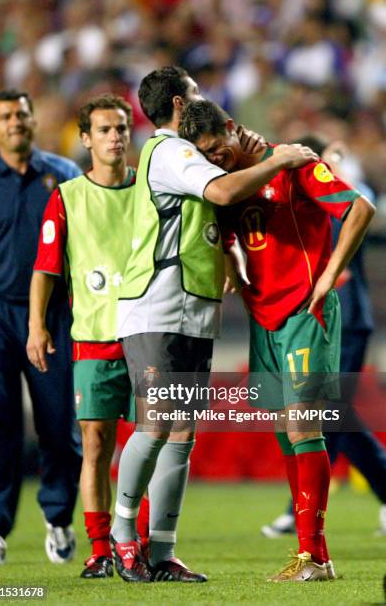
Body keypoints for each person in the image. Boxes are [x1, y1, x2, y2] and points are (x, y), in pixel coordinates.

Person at [110, 65, 319, 583]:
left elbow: (214, 218)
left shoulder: (181, 153)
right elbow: (224, 194)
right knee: (156, 424)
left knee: (181, 433)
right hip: (156, 306)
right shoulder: (172, 150)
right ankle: (122, 539)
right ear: (179, 106)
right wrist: (281, 159)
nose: (204, 104)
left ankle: (161, 551)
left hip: (193, 309)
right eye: (196, 96)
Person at [178, 99, 375, 581]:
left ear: (232, 127)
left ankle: (316, 557)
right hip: (263, 317)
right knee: (284, 434)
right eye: (206, 157)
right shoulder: (228, 185)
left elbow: (359, 208)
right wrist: (237, 275)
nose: (215, 161)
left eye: (217, 150)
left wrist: (329, 276)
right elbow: (225, 236)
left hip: (306, 312)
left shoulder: (294, 164)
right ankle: (311, 556)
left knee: (304, 429)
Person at [26, 93, 148, 579]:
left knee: (153, 442)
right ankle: (100, 548)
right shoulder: (68, 196)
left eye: (121, 128)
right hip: (94, 338)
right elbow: (46, 268)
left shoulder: (152, 189)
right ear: (85, 140)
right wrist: (36, 325)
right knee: (96, 444)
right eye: (104, 129)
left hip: (148, 338)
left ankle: (139, 541)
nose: (115, 136)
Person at [259, 136, 386, 539]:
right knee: (334, 413)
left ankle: (299, 508)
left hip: (346, 316)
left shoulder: (338, 188)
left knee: (325, 413)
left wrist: (336, 168)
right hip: (325, 316)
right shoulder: (292, 197)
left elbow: (364, 203)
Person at [0, 89, 82, 566]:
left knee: (58, 423)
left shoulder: (63, 176)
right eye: (5, 117)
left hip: (55, 315)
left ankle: (59, 517)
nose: (15, 122)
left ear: (33, 119)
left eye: (22, 113)